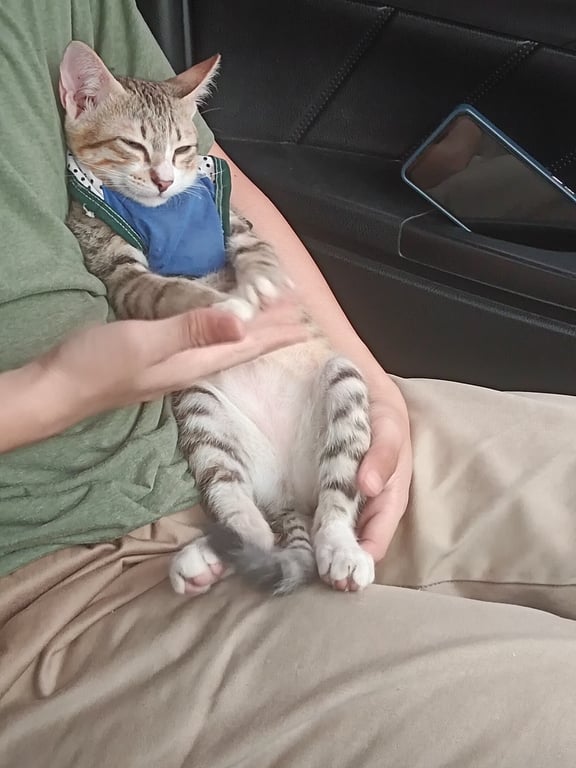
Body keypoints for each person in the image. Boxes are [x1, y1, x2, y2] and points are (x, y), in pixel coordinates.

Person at [1, 1, 575, 766]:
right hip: (56, 561)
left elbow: (213, 174)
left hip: (271, 400)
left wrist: (366, 377)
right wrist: (54, 391)